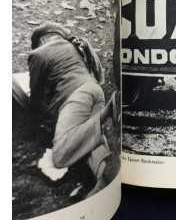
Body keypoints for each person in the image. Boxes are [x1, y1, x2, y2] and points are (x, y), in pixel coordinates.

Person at [27, 22, 118, 196]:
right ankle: (104, 178)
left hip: (76, 96)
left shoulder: (38, 54)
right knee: (89, 141)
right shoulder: (73, 46)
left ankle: (105, 113)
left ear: (42, 39)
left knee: (60, 156)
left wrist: (38, 120)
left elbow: (36, 99)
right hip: (94, 90)